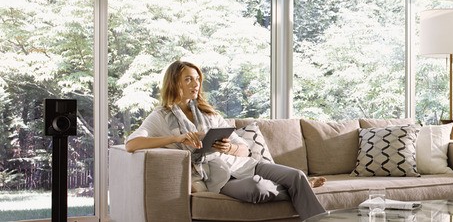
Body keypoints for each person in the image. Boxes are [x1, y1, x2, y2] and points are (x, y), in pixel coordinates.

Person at [125, 60, 326, 220]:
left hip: (244, 165)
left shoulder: (210, 113)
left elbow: (245, 149)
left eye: (197, 79)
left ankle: (303, 190)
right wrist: (177, 137)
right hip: (216, 176)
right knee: (258, 189)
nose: (196, 84)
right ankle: (301, 189)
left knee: (296, 175)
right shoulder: (161, 116)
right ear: (174, 82)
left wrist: (229, 147)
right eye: (188, 79)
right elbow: (131, 143)